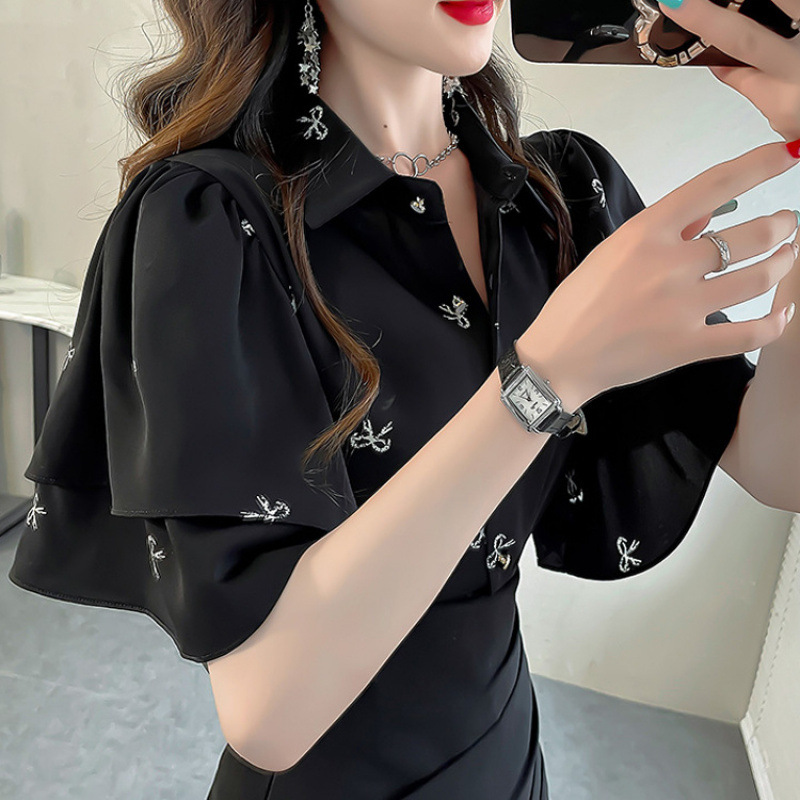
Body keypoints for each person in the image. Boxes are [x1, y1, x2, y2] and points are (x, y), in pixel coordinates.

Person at [10, 0, 798, 797]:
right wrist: (546, 379)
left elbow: (780, 464)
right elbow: (266, 714)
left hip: (505, 758)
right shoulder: (212, 221)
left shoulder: (558, 198)